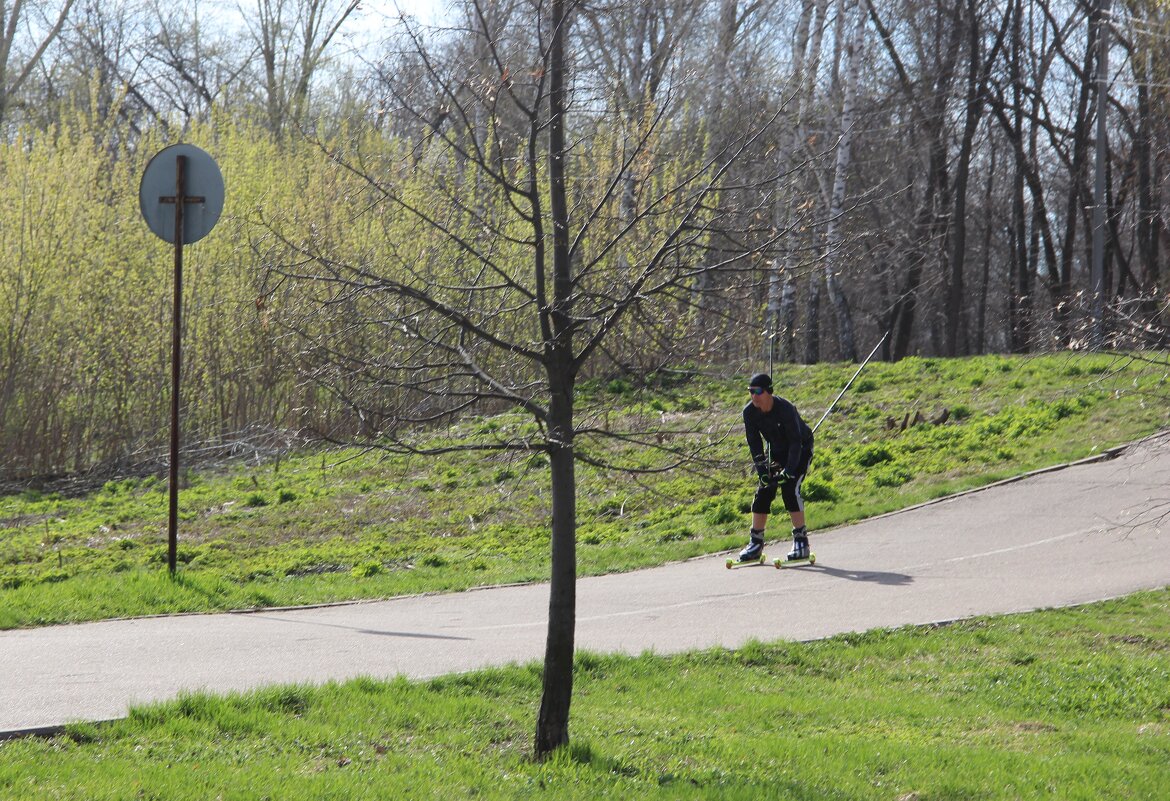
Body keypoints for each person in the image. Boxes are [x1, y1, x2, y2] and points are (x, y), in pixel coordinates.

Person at [736, 372, 815, 563]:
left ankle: (801, 542)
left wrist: (789, 470)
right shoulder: (749, 412)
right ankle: (755, 543)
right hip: (775, 452)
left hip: (800, 449)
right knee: (764, 491)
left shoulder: (785, 409)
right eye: (750, 392)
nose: (754, 396)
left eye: (758, 391)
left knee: (790, 489)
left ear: (769, 392)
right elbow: (754, 444)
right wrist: (763, 471)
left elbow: (796, 442)